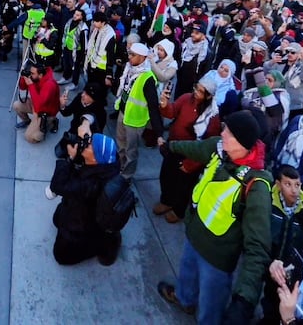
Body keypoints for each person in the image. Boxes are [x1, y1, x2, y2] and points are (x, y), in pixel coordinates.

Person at [155, 110, 272, 324]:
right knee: (187, 273)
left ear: (241, 143)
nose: (223, 132)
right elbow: (196, 148)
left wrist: (244, 299)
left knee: (211, 305)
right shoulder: (219, 147)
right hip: (193, 234)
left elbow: (258, 247)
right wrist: (170, 147)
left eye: (228, 131)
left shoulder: (257, 186)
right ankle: (185, 299)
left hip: (217, 258)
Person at [48, 131, 123, 266]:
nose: (85, 145)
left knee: (60, 256)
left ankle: (102, 245)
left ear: (95, 159)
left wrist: (69, 159)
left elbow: (57, 186)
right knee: (56, 219)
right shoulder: (107, 163)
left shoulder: (92, 184)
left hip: (83, 224)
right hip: (83, 210)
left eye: (89, 146)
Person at [156, 75, 221, 223]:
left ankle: (178, 211)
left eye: (200, 91)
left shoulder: (212, 117)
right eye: (196, 88)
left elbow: (207, 146)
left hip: (191, 155)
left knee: (184, 185)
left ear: (208, 96)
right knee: (166, 175)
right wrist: (165, 105)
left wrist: (191, 164)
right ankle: (166, 201)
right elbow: (172, 112)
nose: (195, 92)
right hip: (173, 146)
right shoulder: (186, 98)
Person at [259, 165, 303, 325]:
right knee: (267, 295)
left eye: (298, 185)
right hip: (267, 261)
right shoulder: (268, 205)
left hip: (289, 271)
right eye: (288, 184)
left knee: (277, 302)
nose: (294, 190)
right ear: (278, 184)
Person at [113, 43, 162, 180]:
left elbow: (153, 106)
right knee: (121, 145)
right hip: (123, 113)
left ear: (143, 57)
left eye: (133, 55)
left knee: (131, 151)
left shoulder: (148, 78)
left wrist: (158, 132)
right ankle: (120, 167)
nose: (129, 57)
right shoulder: (129, 68)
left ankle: (127, 176)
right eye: (129, 53)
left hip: (134, 121)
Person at [12, 62, 60, 142]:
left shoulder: (49, 85)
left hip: (45, 112)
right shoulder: (36, 78)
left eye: (32, 73)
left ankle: (51, 123)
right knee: (16, 105)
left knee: (30, 137)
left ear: (40, 75)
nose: (31, 75)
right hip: (36, 105)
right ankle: (27, 121)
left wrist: (31, 85)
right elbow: (22, 87)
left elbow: (39, 106)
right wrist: (23, 78)